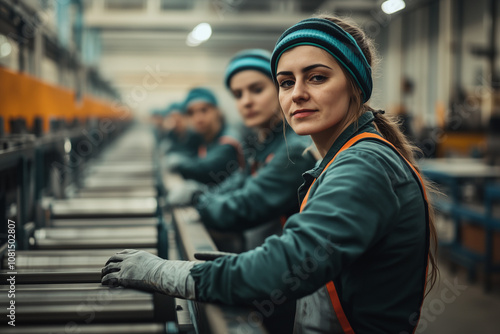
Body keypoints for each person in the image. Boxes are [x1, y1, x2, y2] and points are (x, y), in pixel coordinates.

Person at [102, 16, 438, 334]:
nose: (297, 94)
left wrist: (170, 273)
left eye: (317, 77)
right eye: (286, 82)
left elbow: (293, 261)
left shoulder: (365, 164)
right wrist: (244, 268)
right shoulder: (343, 158)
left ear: (355, 86)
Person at [195, 49, 316, 249]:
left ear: (282, 89)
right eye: (238, 94)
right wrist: (203, 195)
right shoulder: (263, 145)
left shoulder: (295, 150)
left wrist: (197, 200)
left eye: (257, 89)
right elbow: (233, 186)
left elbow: (243, 208)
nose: (246, 101)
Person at [167, 87, 244, 184]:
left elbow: (206, 169)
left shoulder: (228, 141)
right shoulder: (204, 138)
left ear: (217, 111)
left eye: (204, 110)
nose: (198, 118)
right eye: (191, 113)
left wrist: (178, 164)